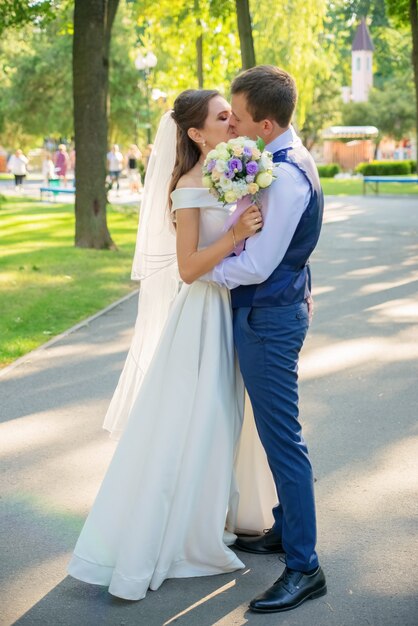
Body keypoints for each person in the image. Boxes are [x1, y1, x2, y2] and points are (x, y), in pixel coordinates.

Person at [67, 90, 274, 601]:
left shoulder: (237, 169)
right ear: (196, 134)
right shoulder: (186, 187)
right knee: (198, 422)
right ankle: (179, 537)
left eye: (232, 114)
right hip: (202, 316)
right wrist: (235, 235)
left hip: (232, 310)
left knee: (223, 421)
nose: (232, 121)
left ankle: (211, 518)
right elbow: (187, 268)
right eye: (221, 117)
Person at [202, 65, 326, 614]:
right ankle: (284, 530)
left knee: (283, 440)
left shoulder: (288, 175)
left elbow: (256, 263)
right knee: (273, 432)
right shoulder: (276, 161)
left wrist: (201, 273)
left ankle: (305, 567)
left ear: (268, 124)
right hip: (272, 313)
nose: (233, 130)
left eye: (242, 120)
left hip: (268, 320)